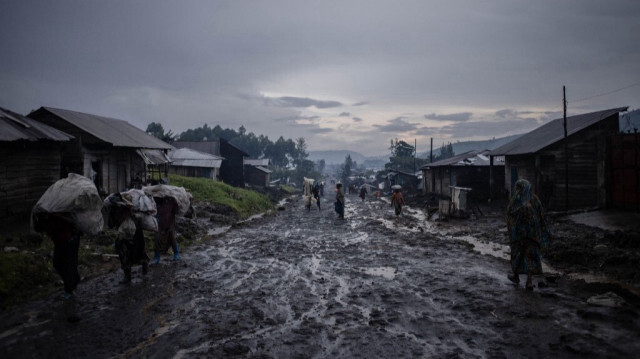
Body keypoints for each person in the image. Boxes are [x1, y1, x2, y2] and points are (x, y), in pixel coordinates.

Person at [506, 179, 552, 291]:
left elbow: (510, 214)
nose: (516, 190)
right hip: (533, 234)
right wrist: (543, 229)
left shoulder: (517, 199)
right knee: (529, 256)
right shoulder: (534, 199)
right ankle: (528, 281)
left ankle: (518, 277)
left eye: (518, 188)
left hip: (520, 235)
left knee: (519, 254)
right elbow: (541, 215)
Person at [104, 197, 149, 284]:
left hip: (134, 235)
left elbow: (111, 224)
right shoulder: (115, 211)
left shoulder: (128, 210)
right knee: (126, 253)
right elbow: (111, 224)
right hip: (126, 235)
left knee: (134, 252)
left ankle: (142, 266)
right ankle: (129, 275)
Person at [44, 213, 81, 299]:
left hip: (69, 241)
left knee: (68, 265)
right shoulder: (51, 212)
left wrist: (58, 216)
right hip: (59, 242)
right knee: (58, 264)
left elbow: (73, 223)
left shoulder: (65, 211)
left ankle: (69, 290)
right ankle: (74, 280)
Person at [152, 196, 180, 264]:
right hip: (159, 225)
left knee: (172, 238)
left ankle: (176, 253)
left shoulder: (170, 202)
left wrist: (176, 204)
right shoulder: (154, 204)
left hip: (170, 224)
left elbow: (176, 211)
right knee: (157, 239)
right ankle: (156, 256)